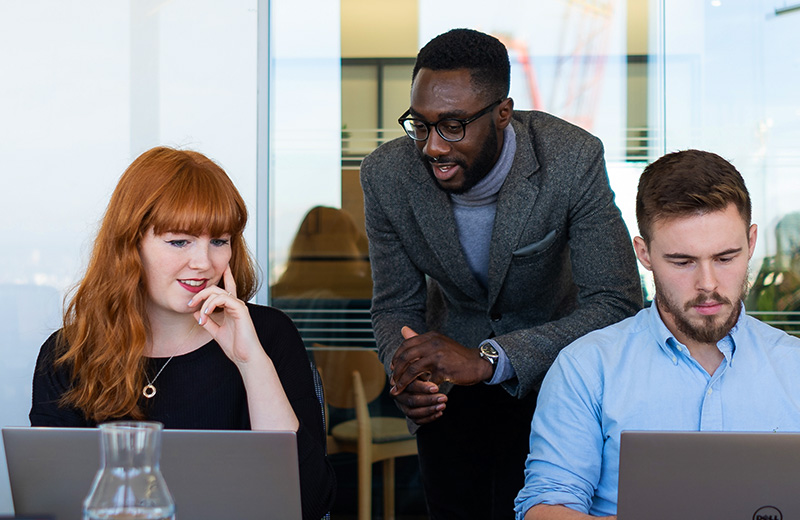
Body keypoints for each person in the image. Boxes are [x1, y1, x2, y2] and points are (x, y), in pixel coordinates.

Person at [360, 28, 642, 519]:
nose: (431, 147)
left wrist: (491, 359)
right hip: (449, 394)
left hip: (554, 380)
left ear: (503, 114)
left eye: (453, 125)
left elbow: (617, 302)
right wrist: (408, 371)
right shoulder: (386, 174)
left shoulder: (571, 158)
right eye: (420, 124)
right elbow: (394, 305)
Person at [30, 147, 335, 520]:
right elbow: (54, 504)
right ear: (130, 245)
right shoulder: (67, 354)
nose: (204, 263)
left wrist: (250, 362)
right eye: (179, 241)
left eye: (219, 241)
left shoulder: (268, 335)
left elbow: (307, 503)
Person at [514, 149, 800, 519]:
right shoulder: (586, 368)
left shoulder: (794, 366)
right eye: (683, 262)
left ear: (752, 242)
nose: (708, 284)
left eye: (725, 258)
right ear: (644, 253)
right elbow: (543, 509)